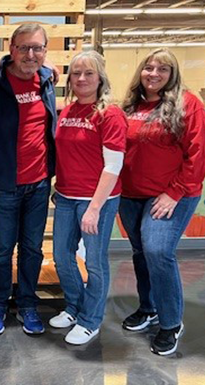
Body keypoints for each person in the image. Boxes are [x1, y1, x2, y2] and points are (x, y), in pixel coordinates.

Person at [118, 48, 205, 356]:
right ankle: (149, 308)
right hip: (131, 194)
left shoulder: (188, 104)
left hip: (172, 195)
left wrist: (174, 192)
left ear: (173, 75)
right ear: (140, 72)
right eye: (149, 67)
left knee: (158, 250)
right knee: (140, 252)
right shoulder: (131, 105)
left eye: (163, 69)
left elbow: (199, 154)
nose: (154, 73)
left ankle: (171, 322)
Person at [0, 23, 56, 336]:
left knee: (32, 249)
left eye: (37, 48)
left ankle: (27, 304)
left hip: (39, 185)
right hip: (2, 185)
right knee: (2, 249)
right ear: (11, 48)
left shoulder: (46, 79)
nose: (31, 54)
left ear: (45, 50)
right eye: (24, 48)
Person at [49, 50, 127, 345]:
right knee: (62, 257)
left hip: (98, 201)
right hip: (67, 197)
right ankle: (74, 306)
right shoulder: (67, 112)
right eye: (76, 73)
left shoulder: (110, 114)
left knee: (94, 262)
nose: (81, 78)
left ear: (101, 78)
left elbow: (113, 166)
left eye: (89, 73)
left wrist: (94, 208)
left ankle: (91, 320)